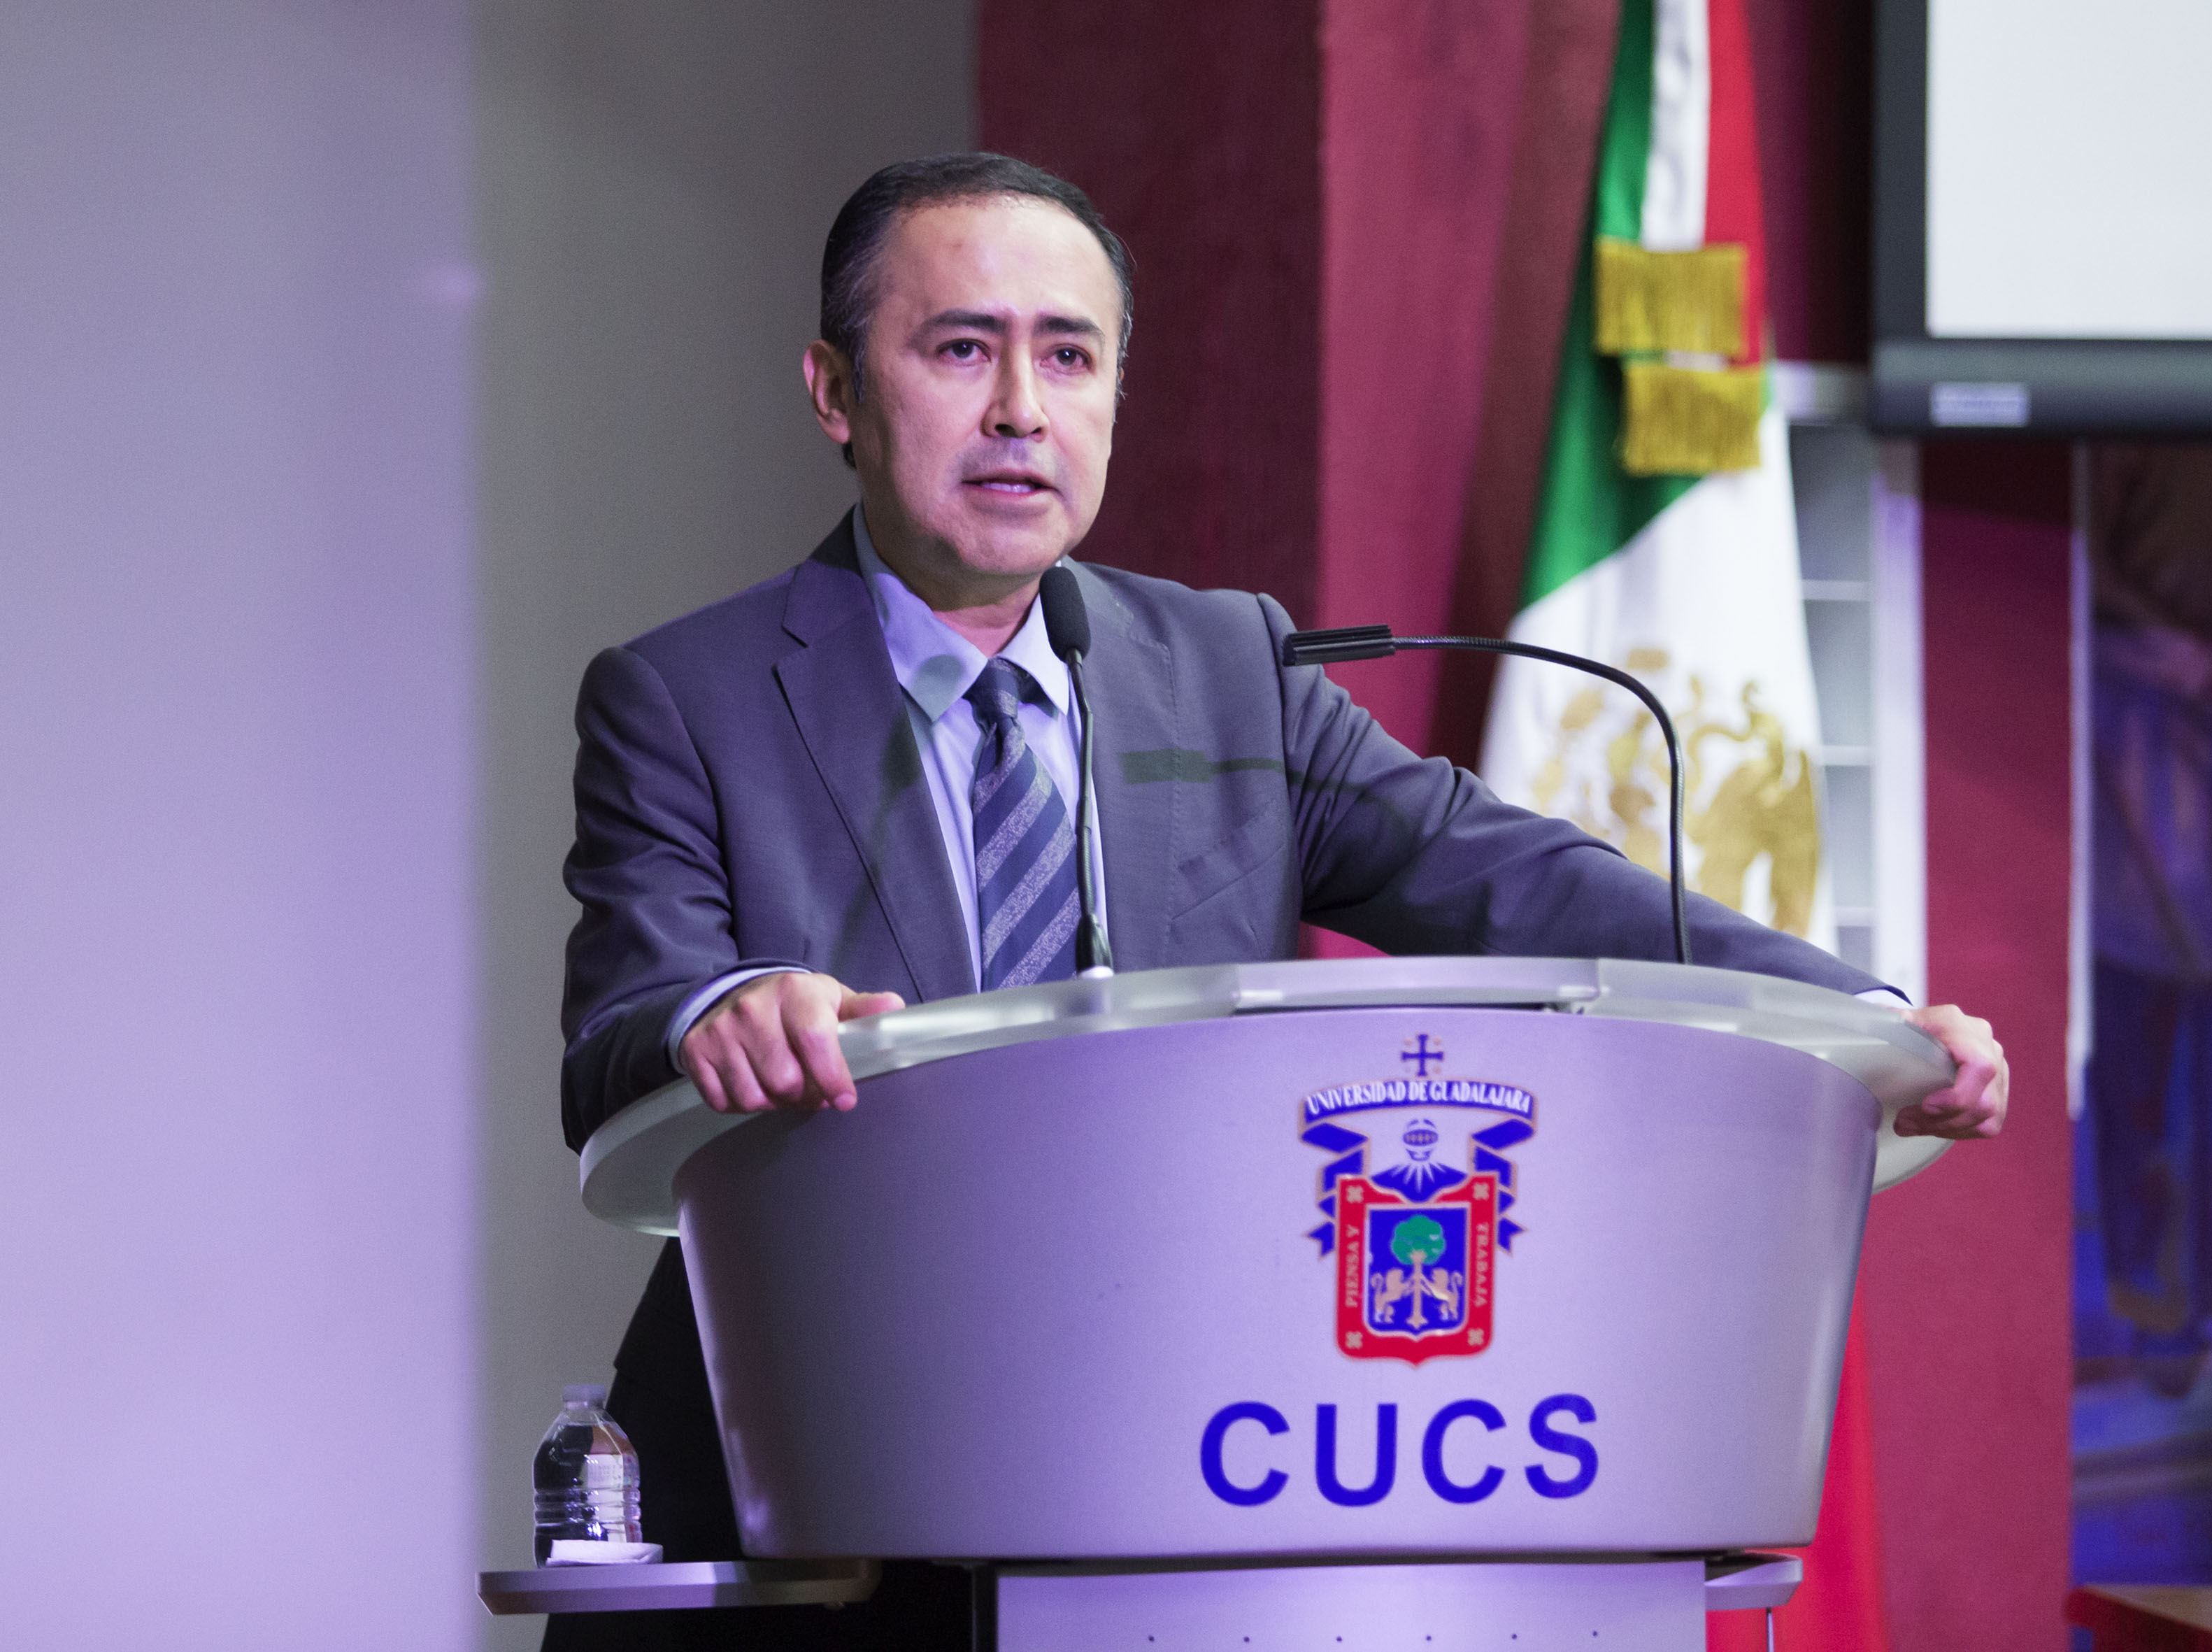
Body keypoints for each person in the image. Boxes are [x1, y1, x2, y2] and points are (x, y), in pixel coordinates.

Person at [549, 152, 2007, 1651]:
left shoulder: (1225, 668)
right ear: (834, 391)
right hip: (823, 1475)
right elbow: (620, 1016)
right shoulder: (690, 696)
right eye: (959, 348)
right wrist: (717, 1012)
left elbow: (1511, 880)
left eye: (1068, 355)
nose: (1018, 410)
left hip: (1197, 1495)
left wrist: (1859, 1014)